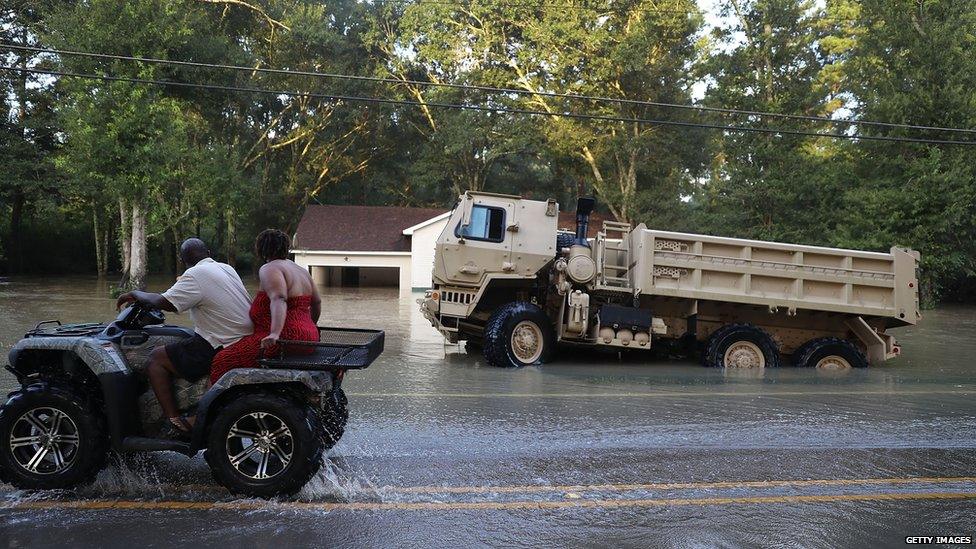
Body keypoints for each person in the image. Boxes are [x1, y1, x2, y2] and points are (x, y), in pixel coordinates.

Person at [116, 238, 252, 438]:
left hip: (222, 342)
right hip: (243, 337)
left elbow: (164, 302)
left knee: (156, 359)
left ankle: (175, 421)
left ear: (182, 259)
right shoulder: (225, 268)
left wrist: (136, 293)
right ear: (207, 251)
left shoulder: (195, 275)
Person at [209, 229, 321, 384]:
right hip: (308, 337)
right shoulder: (301, 271)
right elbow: (317, 302)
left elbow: (279, 298)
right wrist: (311, 326)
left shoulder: (270, 268)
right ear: (285, 247)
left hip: (282, 338)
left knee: (222, 360)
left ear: (261, 248)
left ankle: (223, 406)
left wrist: (275, 333)